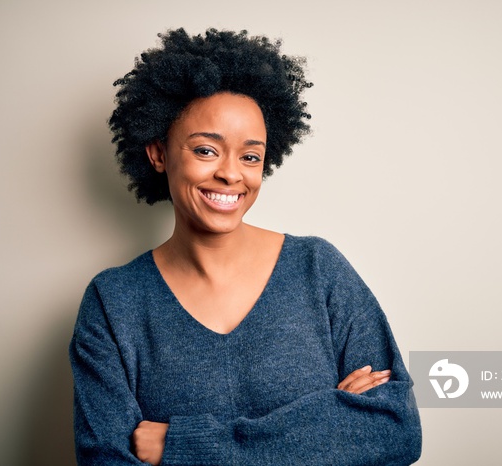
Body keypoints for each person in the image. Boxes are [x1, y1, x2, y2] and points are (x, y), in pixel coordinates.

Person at [69, 28, 422, 465]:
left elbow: (394, 430)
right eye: (206, 150)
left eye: (250, 157)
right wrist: (328, 420)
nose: (232, 174)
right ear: (159, 153)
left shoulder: (318, 269)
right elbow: (107, 460)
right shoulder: (113, 303)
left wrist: (185, 446)